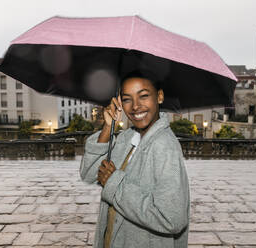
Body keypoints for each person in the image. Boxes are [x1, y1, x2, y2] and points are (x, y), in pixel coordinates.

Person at [80, 70, 190, 248]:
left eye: (143, 96)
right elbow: (89, 174)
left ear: (159, 96)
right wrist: (108, 127)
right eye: (127, 99)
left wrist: (114, 183)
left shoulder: (164, 146)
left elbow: (172, 218)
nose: (135, 106)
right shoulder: (126, 138)